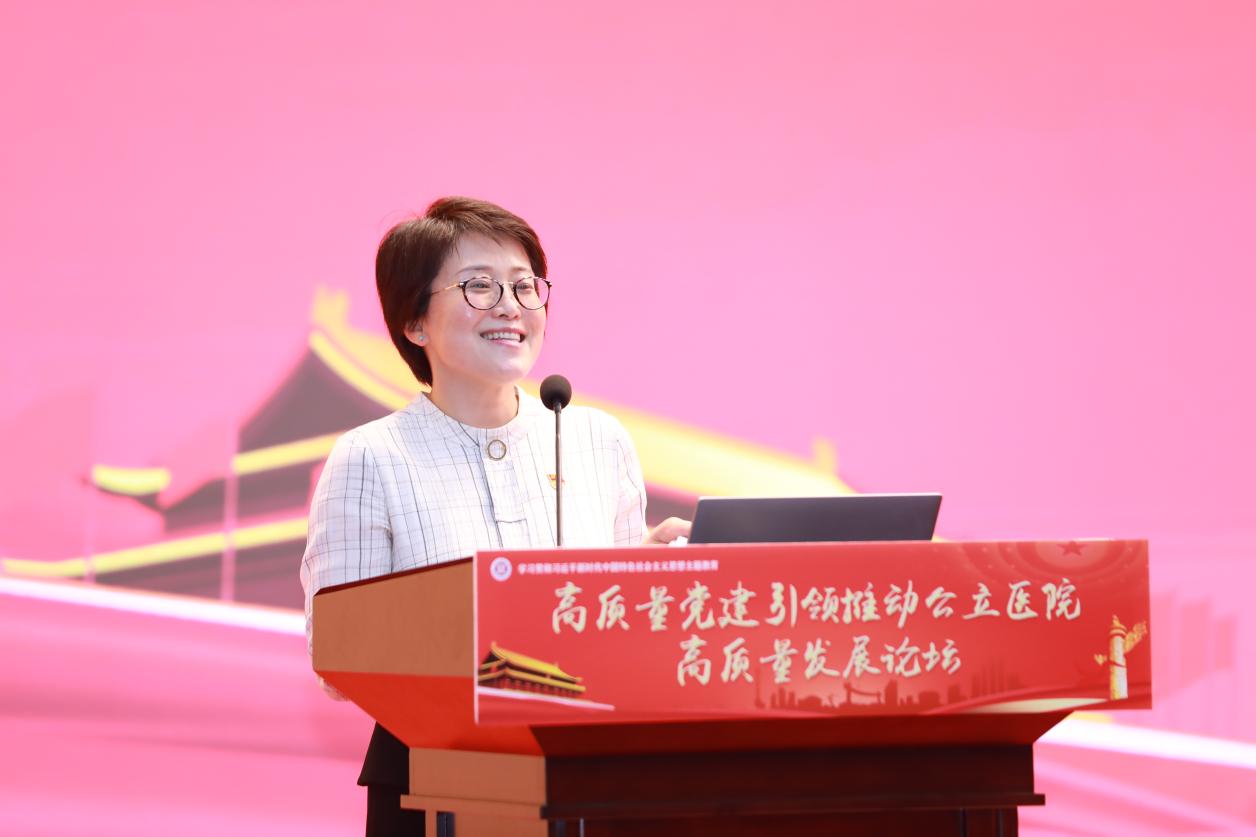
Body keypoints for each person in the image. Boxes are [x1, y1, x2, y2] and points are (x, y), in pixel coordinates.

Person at [300, 196, 690, 836]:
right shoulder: (371, 457)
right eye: (478, 286)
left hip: (593, 774)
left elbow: (621, 637)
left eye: (524, 286)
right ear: (415, 323)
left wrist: (649, 580)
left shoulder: (595, 440)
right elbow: (339, 658)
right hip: (432, 781)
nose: (510, 306)